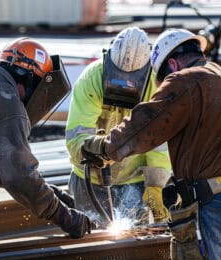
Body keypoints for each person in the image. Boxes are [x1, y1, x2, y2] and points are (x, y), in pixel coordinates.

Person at [81, 28, 221, 260]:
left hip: (208, 206)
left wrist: (105, 147)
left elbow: (147, 123)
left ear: (172, 64)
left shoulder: (185, 81)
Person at [0, 37, 91, 245]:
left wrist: (59, 196)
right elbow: (19, 177)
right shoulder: (6, 101)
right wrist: (66, 218)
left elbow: (2, 166)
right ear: (30, 82)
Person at [65, 27, 171, 227]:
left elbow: (159, 142)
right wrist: (99, 150)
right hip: (89, 179)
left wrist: (155, 185)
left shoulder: (155, 86)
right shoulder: (92, 78)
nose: (124, 87)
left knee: (133, 242)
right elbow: (77, 137)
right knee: (91, 242)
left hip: (134, 179)